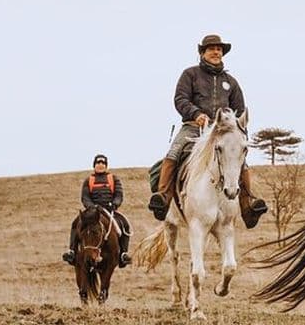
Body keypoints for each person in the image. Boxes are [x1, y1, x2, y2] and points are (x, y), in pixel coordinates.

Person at [148, 34, 267, 227]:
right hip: (194, 127)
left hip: (222, 132)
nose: (216, 52)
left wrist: (236, 130)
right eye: (211, 49)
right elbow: (180, 99)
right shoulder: (190, 75)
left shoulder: (231, 81)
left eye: (219, 49)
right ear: (202, 52)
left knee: (240, 161)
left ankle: (248, 205)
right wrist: (196, 114)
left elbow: (239, 110)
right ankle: (163, 197)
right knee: (173, 153)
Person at [62, 154, 132, 267]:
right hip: (92, 211)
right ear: (94, 165)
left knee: (124, 225)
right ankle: (72, 251)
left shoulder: (114, 179)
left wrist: (115, 204)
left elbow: (119, 194)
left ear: (106, 165)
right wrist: (92, 207)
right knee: (75, 224)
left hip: (109, 210)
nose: (100, 165)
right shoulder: (88, 180)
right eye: (98, 163)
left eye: (103, 163)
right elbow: (85, 197)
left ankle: (123, 254)